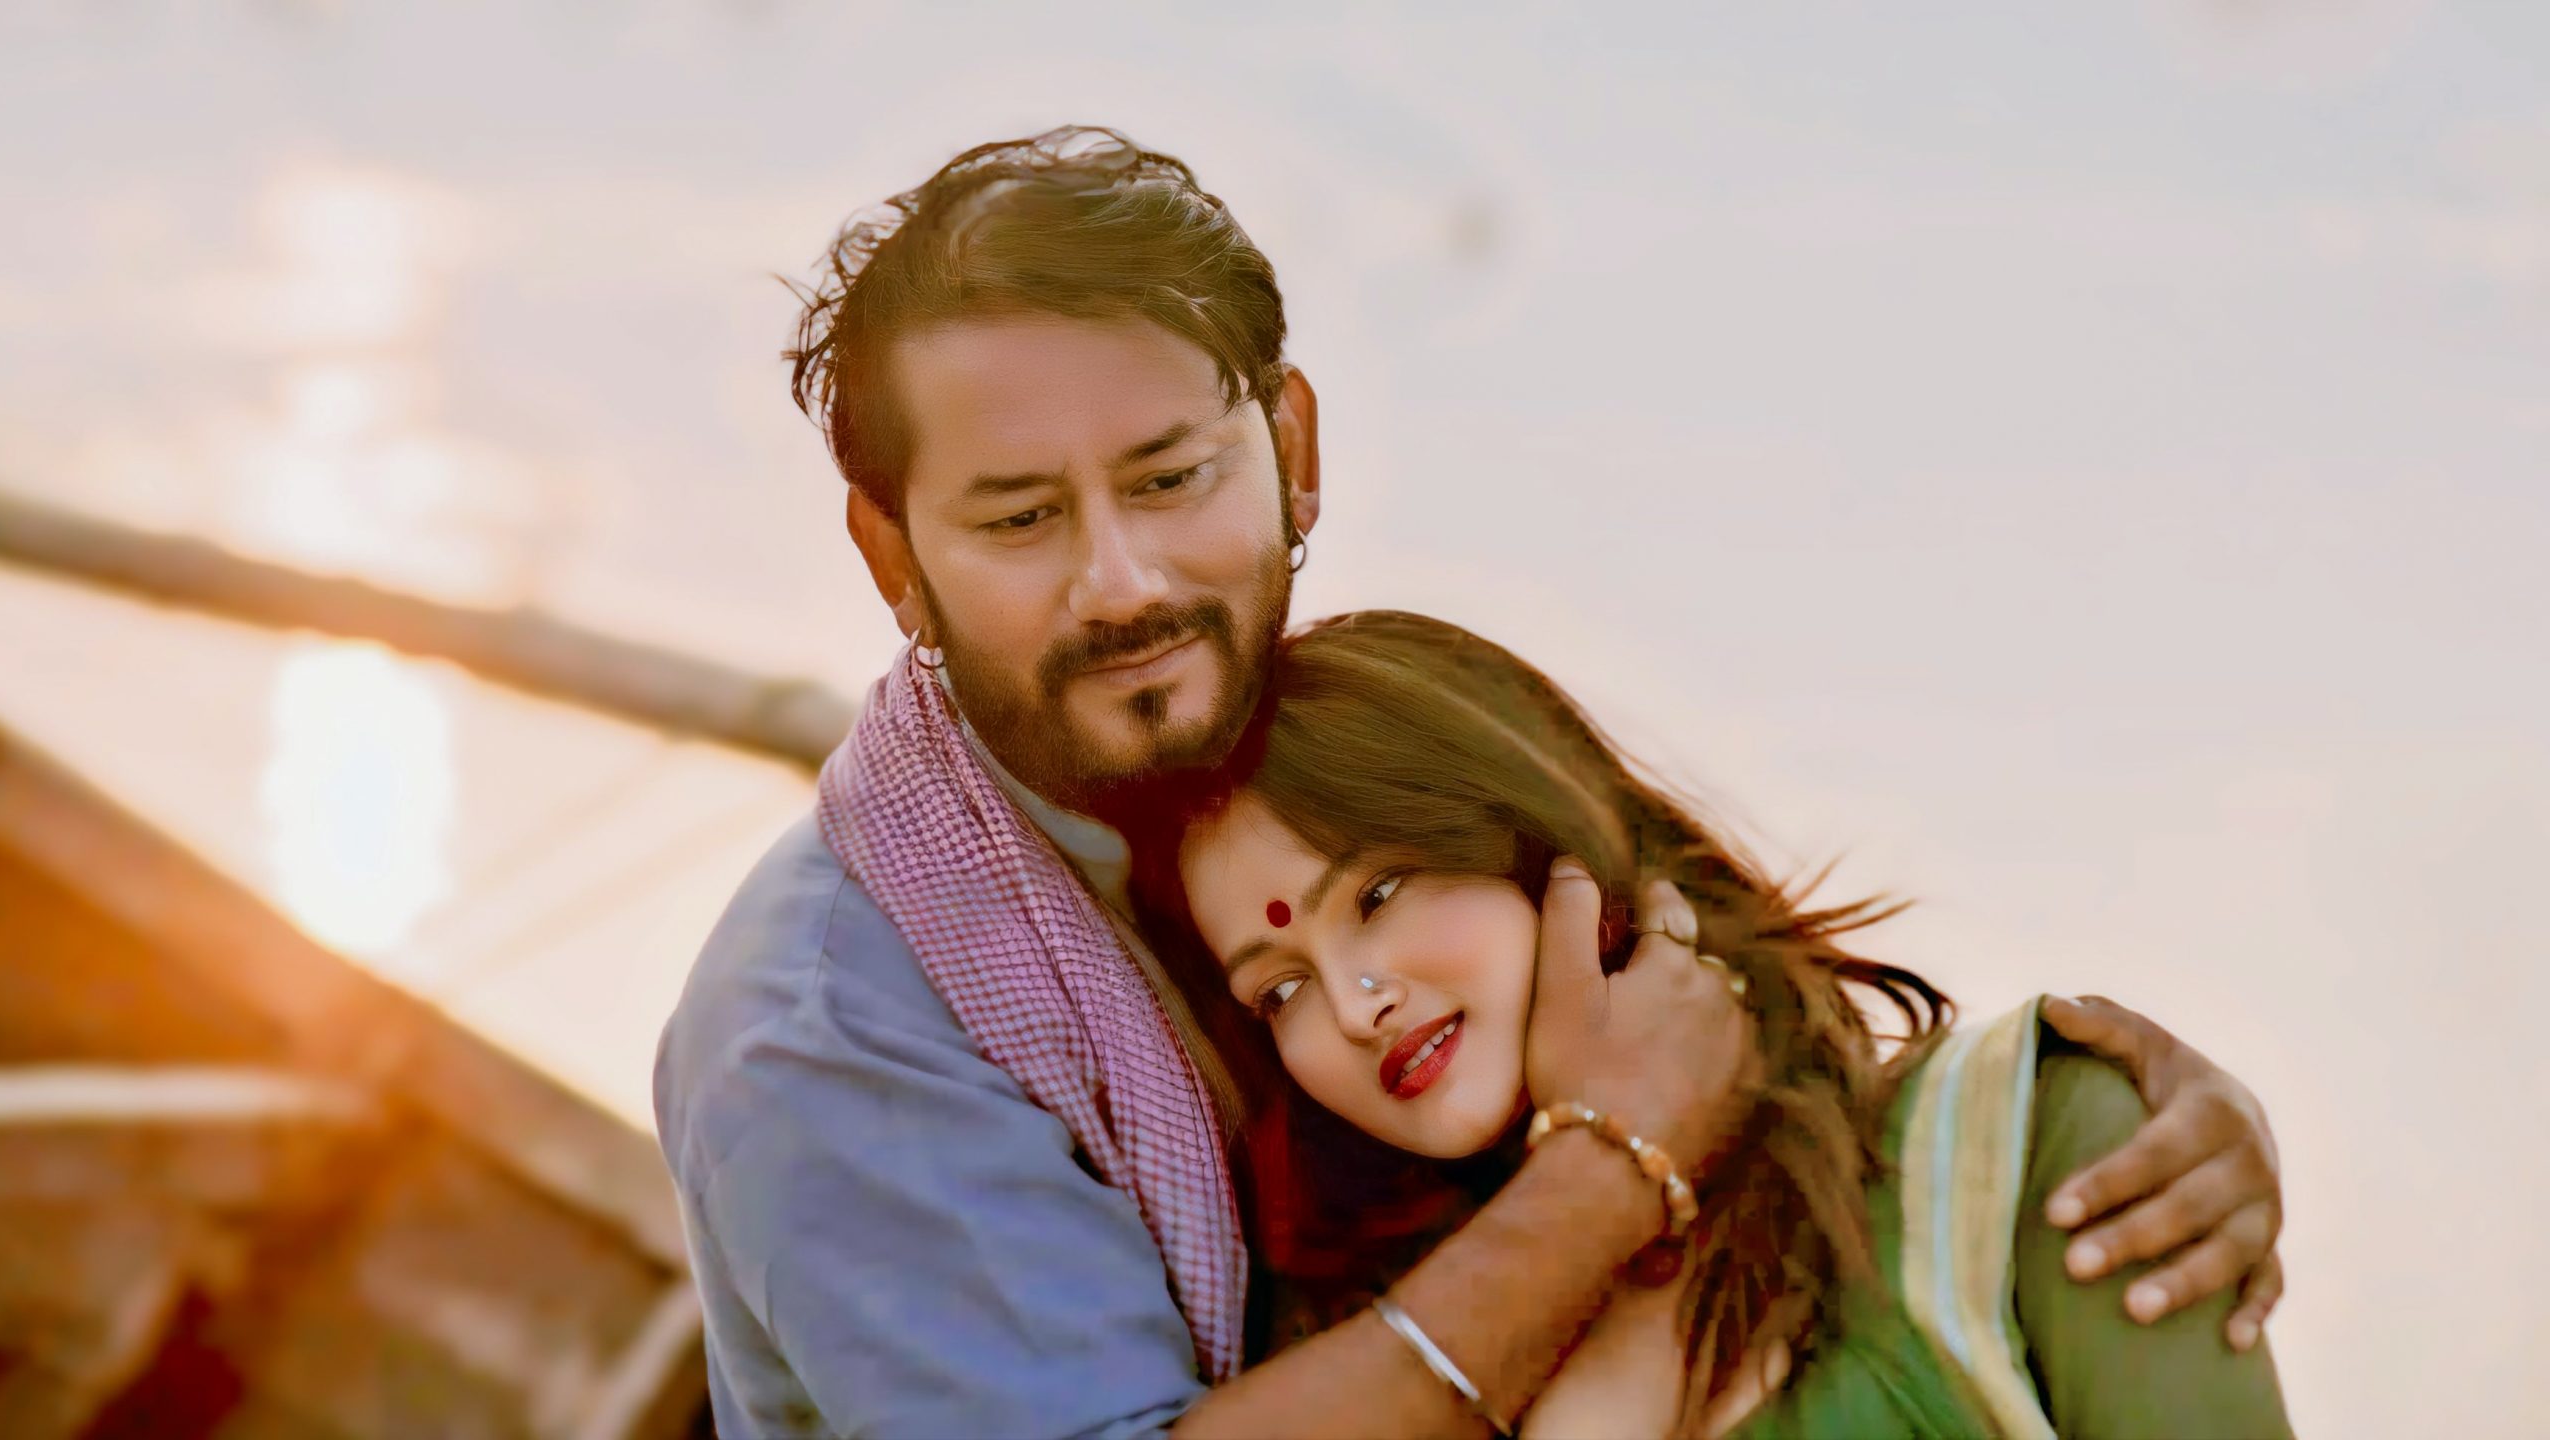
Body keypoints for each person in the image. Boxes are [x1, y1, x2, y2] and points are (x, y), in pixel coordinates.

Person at [652, 126, 2288, 1439]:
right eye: (1019, 519)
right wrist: (1614, 1165)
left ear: (1293, 453)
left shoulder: (1298, 762)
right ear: (892, 558)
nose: (1120, 581)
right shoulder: (836, 1025)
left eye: (1171, 477)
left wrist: (2087, 1123)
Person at [1160, 609, 2294, 1437]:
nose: (1358, 1007)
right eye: (1281, 991)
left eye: (1377, 893)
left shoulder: (2025, 1151)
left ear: (1545, 841)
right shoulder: (1370, 1379)